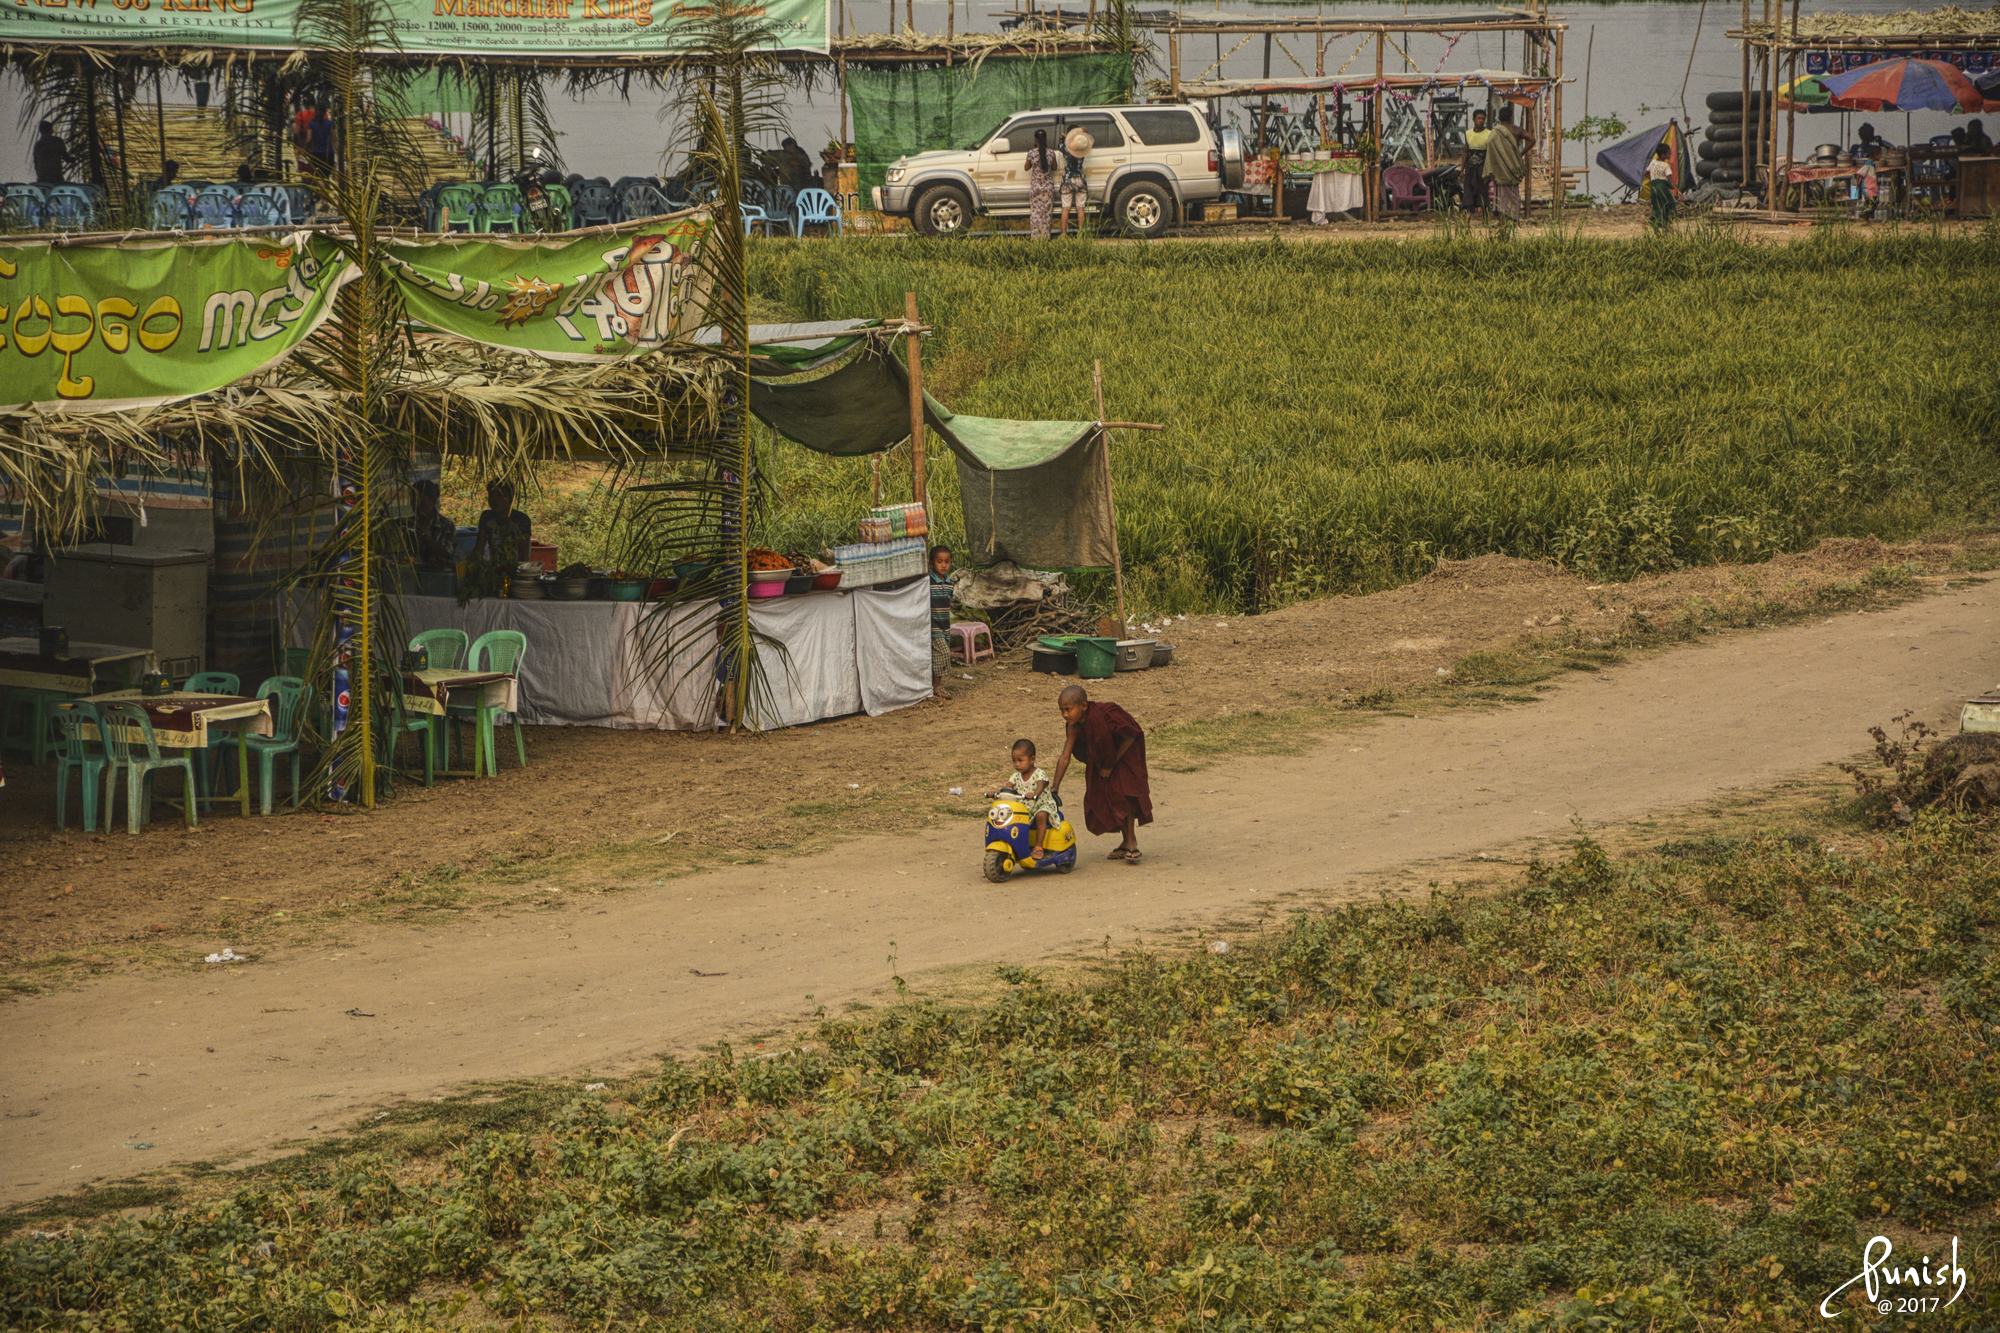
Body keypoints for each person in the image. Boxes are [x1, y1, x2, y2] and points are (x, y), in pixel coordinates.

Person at [1052, 684, 1152, 862]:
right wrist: (1055, 787)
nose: (1065, 715)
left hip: (1125, 753)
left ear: (1084, 706)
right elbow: (1065, 756)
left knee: (1124, 794)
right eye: (1061, 711)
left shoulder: (1106, 715)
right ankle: (1125, 841)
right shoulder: (1073, 727)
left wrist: (1112, 763)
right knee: (1108, 795)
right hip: (1102, 759)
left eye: (1068, 709)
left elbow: (1130, 736)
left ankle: (1131, 842)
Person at [985, 737, 1058, 864]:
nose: (1016, 764)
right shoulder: (1015, 776)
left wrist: (1035, 793)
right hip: (1025, 806)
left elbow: (1042, 784)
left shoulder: (1039, 774)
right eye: (1014, 761)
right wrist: (996, 794)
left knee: (1041, 816)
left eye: (1020, 760)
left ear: (1032, 759)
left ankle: (1038, 845)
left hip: (1041, 804)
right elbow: (1006, 789)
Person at [1485, 105, 1530, 221]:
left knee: (1500, 194)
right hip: (1514, 165)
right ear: (1511, 118)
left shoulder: (1495, 132)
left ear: (1499, 118)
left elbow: (1489, 144)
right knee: (1514, 194)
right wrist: (1521, 153)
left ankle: (1502, 220)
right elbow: (1532, 139)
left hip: (1500, 167)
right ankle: (1515, 219)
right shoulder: (1517, 130)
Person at [474, 480, 531, 562]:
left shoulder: (521, 520)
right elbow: (478, 550)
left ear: (511, 498)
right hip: (495, 569)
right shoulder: (487, 517)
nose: (494, 499)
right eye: (491, 495)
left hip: (516, 569)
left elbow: (523, 557)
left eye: (500, 495)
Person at [409, 480, 458, 565]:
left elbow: (446, 553)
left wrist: (425, 538)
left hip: (435, 575)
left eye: (422, 502)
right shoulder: (409, 523)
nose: (416, 505)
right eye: (413, 501)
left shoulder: (446, 525)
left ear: (433, 501)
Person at [928, 544, 955, 701]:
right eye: (939, 561)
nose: (944, 565)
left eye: (947, 561)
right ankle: (937, 686)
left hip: (945, 625)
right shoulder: (928, 581)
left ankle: (934, 684)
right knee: (942, 654)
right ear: (931, 563)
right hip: (934, 626)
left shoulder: (949, 582)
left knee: (938, 656)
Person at [1058, 124, 1093, 237]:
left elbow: (1060, 145)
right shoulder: (1082, 149)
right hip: (1080, 180)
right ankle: (1081, 233)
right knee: (1080, 209)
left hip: (1068, 180)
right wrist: (1082, 133)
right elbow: (1086, 142)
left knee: (1066, 208)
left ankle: (1063, 234)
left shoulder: (1065, 148)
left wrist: (1065, 137)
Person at [1026, 127, 1060, 240]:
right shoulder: (1051, 153)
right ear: (1045, 139)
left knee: (1035, 213)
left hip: (1036, 187)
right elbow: (1055, 168)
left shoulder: (1031, 153)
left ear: (1035, 139)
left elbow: (1026, 168)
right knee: (1047, 214)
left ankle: (1035, 237)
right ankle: (1045, 237)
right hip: (1048, 187)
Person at [1462, 109, 1492, 215]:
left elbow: (1490, 154)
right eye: (1479, 118)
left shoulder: (1489, 134)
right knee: (1468, 193)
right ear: (1474, 119)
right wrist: (1462, 170)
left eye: (1483, 119)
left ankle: (1485, 219)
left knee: (1483, 193)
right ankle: (1468, 219)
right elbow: (1466, 152)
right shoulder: (1468, 134)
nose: (1481, 121)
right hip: (1470, 168)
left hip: (1482, 169)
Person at [1645, 142, 1678, 228]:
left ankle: (1664, 225)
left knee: (1657, 206)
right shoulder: (1665, 165)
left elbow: (1646, 173)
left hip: (1654, 187)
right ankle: (1648, 219)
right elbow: (1670, 180)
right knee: (1670, 203)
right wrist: (1677, 190)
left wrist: (1653, 179)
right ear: (1663, 155)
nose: (1670, 154)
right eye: (1668, 153)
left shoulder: (1653, 162)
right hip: (1662, 187)